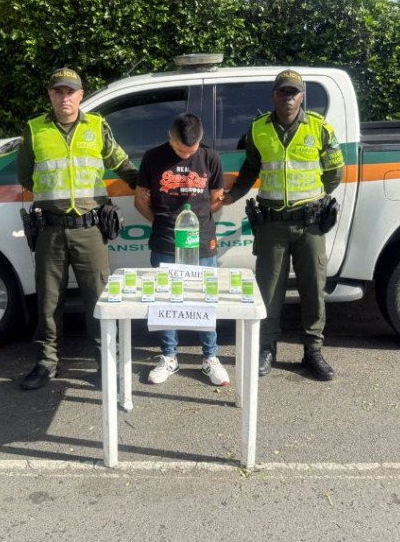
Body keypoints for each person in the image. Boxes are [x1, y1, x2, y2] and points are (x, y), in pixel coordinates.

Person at [16, 67, 138, 391]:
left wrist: (151, 183)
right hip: (51, 230)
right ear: (50, 95)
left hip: (90, 229)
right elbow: (26, 176)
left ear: (81, 95)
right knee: (48, 303)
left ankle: (105, 365)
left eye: (71, 91)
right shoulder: (34, 130)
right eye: (58, 91)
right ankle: (45, 364)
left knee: (98, 300)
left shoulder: (98, 127)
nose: (64, 97)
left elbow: (122, 164)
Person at [222, 70, 345, 381]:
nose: (288, 97)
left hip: (310, 224)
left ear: (302, 96)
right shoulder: (258, 130)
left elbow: (334, 172)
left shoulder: (320, 128)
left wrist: (315, 200)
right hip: (273, 224)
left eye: (293, 92)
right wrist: (234, 194)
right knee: (268, 291)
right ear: (274, 95)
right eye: (282, 92)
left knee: (313, 290)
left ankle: (313, 351)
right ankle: (267, 348)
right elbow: (250, 167)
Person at [134, 113, 230, 387]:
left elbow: (216, 198)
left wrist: (193, 224)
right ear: (169, 136)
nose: (185, 155)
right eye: (179, 150)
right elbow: (140, 199)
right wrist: (164, 223)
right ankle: (169, 357)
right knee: (165, 300)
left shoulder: (211, 157)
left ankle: (210, 358)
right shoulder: (153, 157)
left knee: (205, 299)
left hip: (202, 243)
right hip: (165, 241)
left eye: (191, 150)